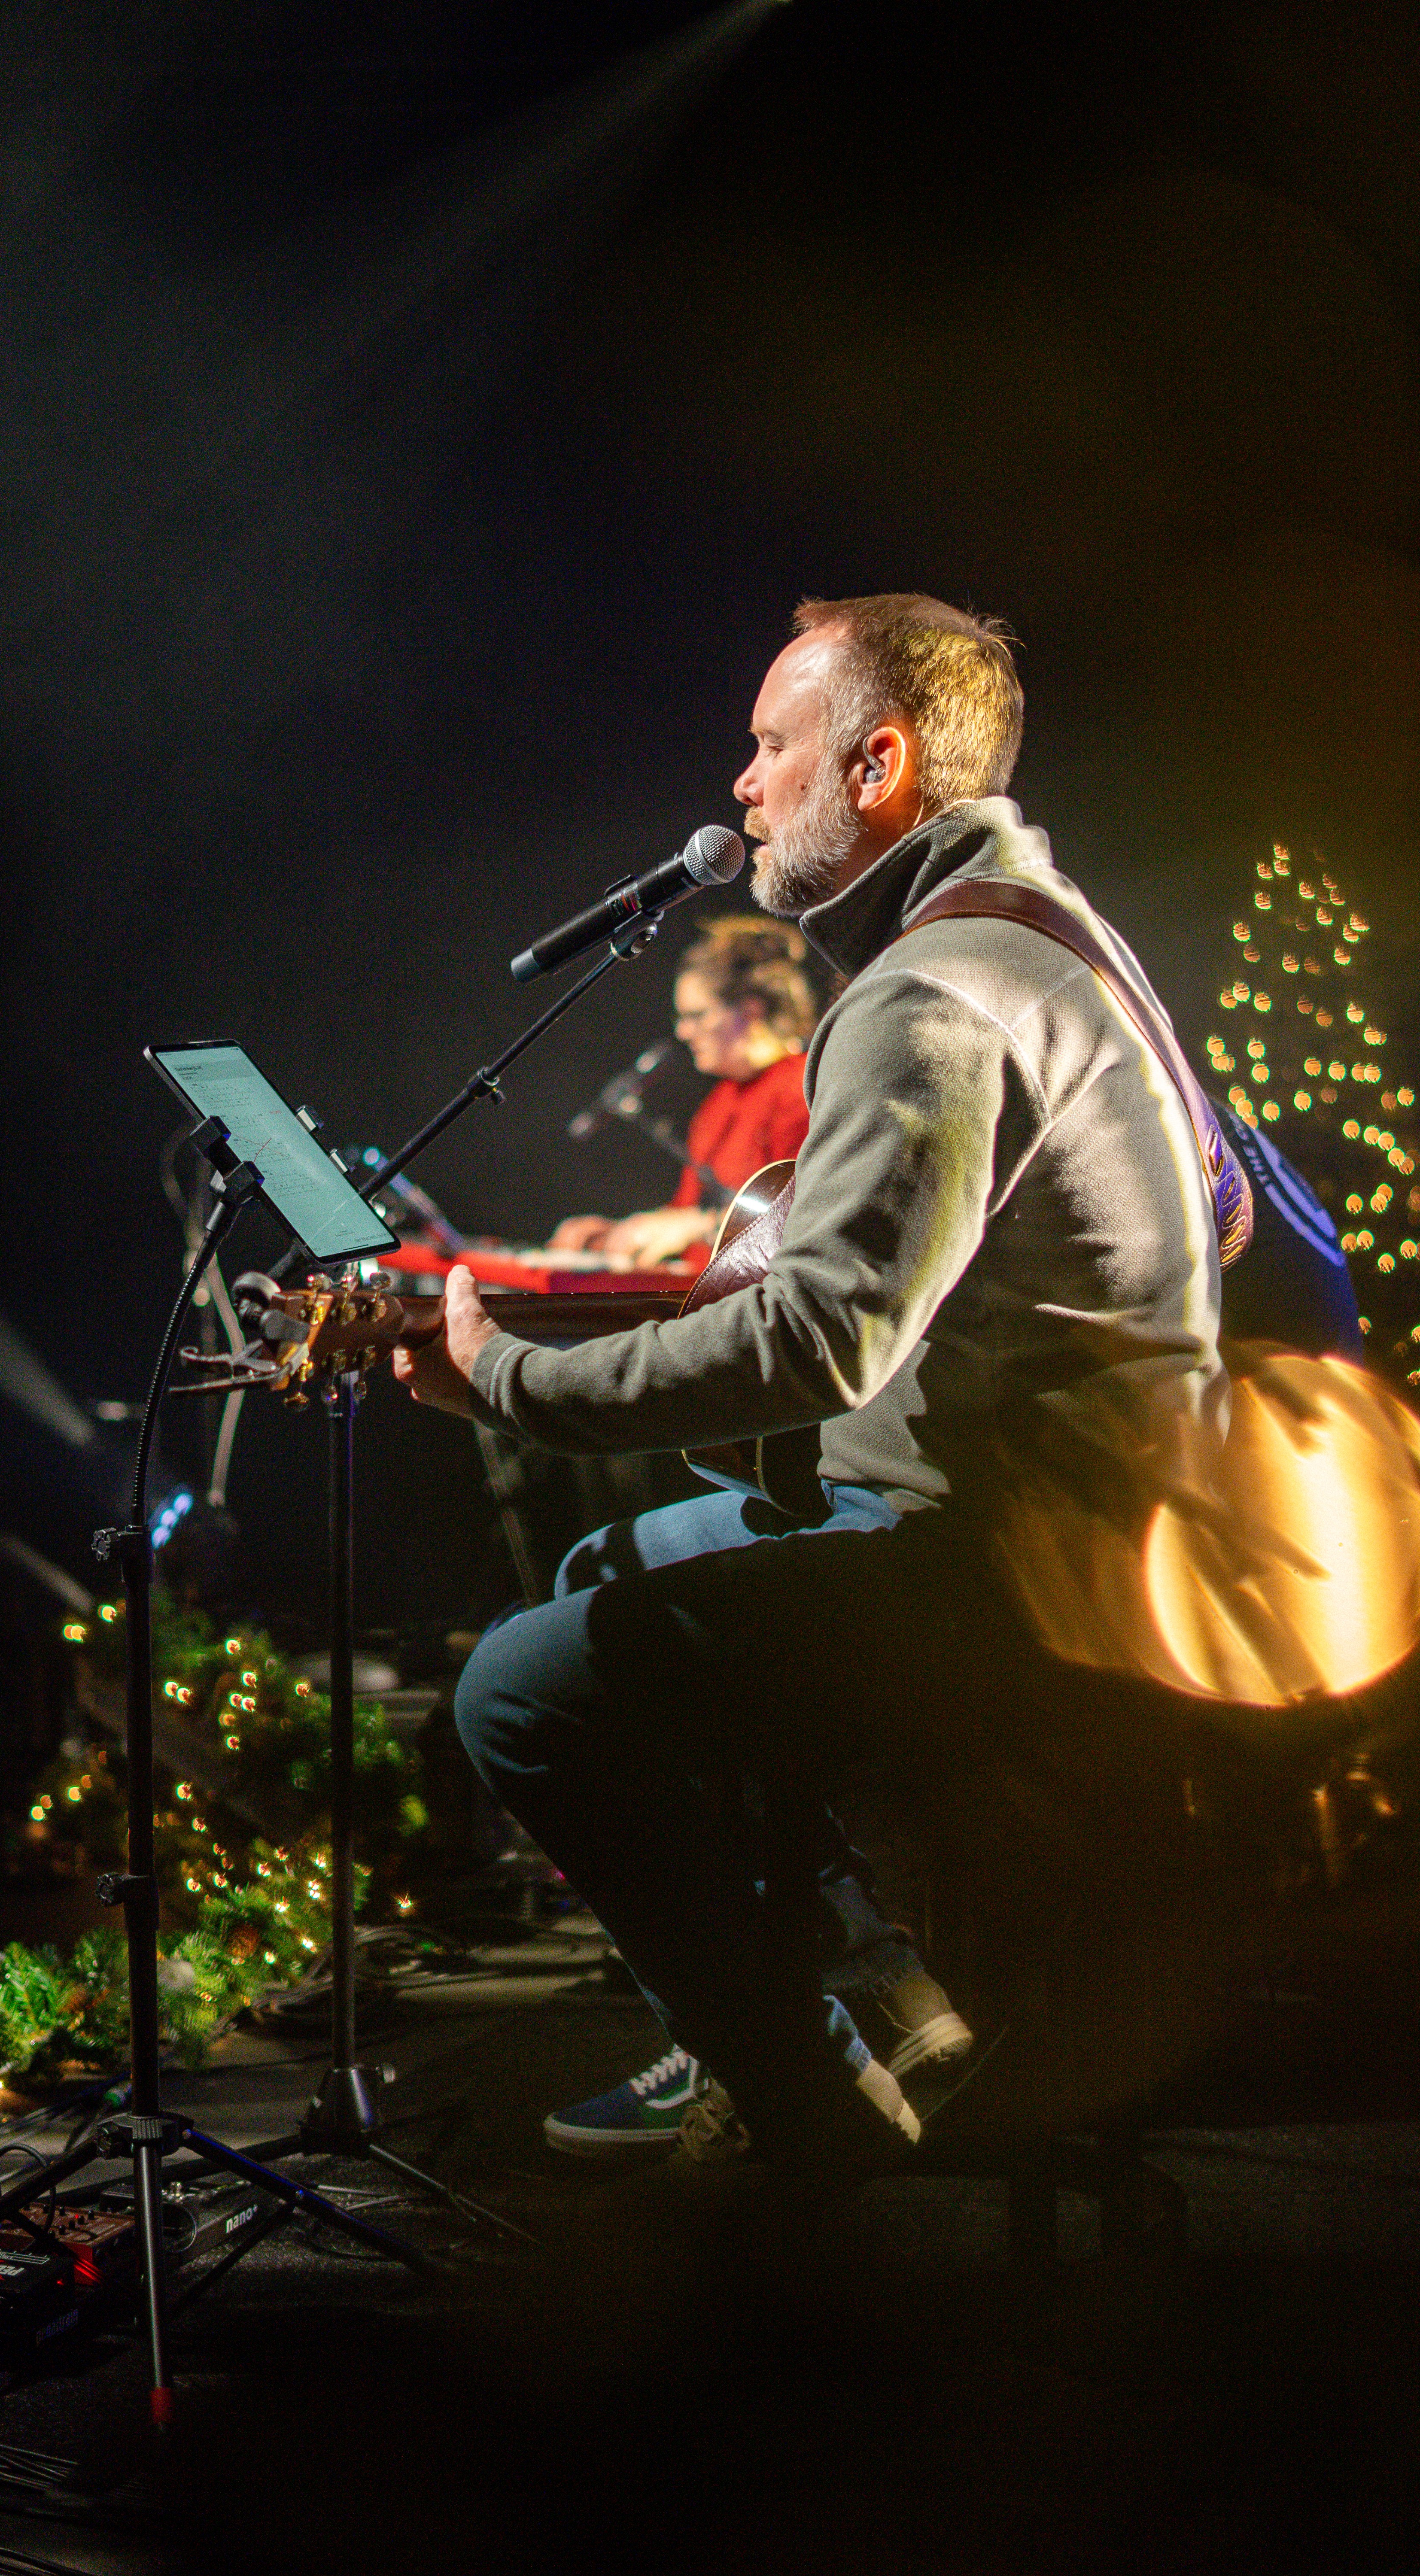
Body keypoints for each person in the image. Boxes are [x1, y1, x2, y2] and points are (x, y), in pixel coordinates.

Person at [394, 592, 1226, 2173]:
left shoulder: (926, 990)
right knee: (604, 1565)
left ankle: (800, 2102)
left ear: (877, 765)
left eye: (772, 743)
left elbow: (818, 1342)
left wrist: (508, 1378)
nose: (742, 782)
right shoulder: (1052, 930)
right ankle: (873, 2005)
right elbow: (1213, 1207)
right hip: (1103, 1526)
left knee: (514, 1690)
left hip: (1022, 1568)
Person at [549, 918, 818, 1271]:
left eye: (697, 1015)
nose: (683, 1031)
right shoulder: (720, 1101)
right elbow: (686, 1215)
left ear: (751, 1011)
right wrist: (615, 1235)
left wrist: (696, 1226)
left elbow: (802, 1219)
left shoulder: (804, 1089)